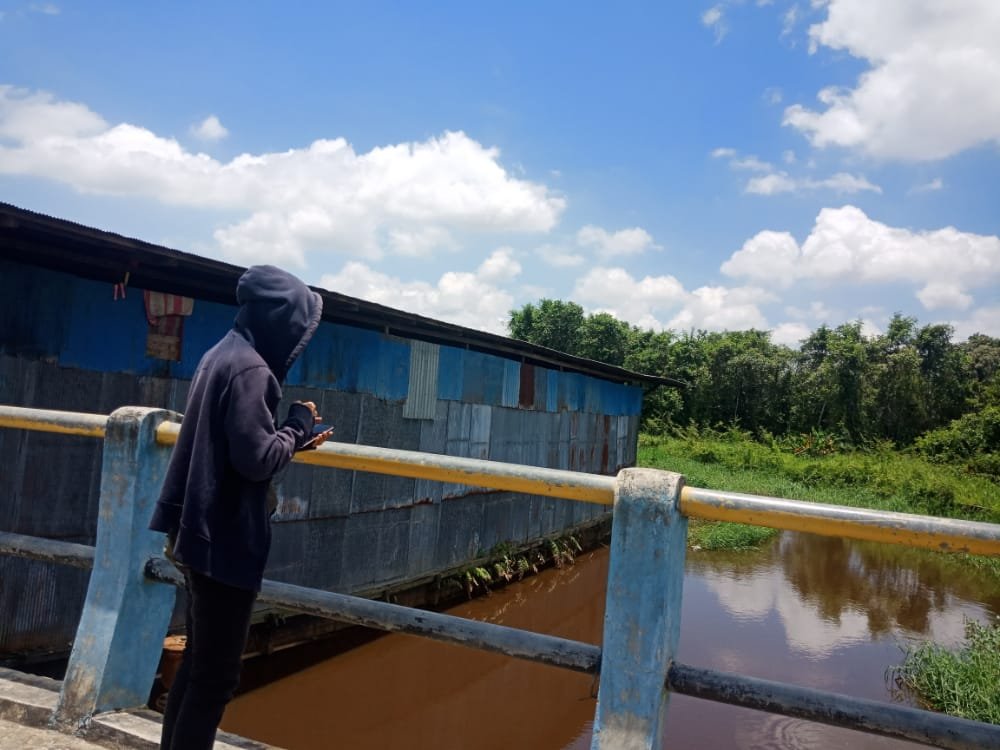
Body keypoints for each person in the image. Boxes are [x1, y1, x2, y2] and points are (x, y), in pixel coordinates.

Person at [149, 264, 330, 750]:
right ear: (279, 320)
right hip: (223, 538)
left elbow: (236, 442)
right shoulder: (253, 370)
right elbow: (255, 461)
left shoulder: (221, 354)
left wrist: (288, 439)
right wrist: (295, 424)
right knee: (216, 678)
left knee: (198, 664)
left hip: (195, 528)